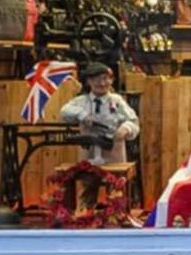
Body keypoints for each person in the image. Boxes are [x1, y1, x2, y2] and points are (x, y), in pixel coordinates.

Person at [59, 62, 139, 206]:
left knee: (116, 188)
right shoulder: (81, 101)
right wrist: (83, 115)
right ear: (89, 81)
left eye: (105, 79)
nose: (102, 83)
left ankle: (116, 216)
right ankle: (85, 218)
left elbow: (133, 122)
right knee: (88, 185)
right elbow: (64, 112)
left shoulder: (117, 101)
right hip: (88, 152)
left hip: (113, 152)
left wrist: (125, 128)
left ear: (111, 80)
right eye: (97, 79)